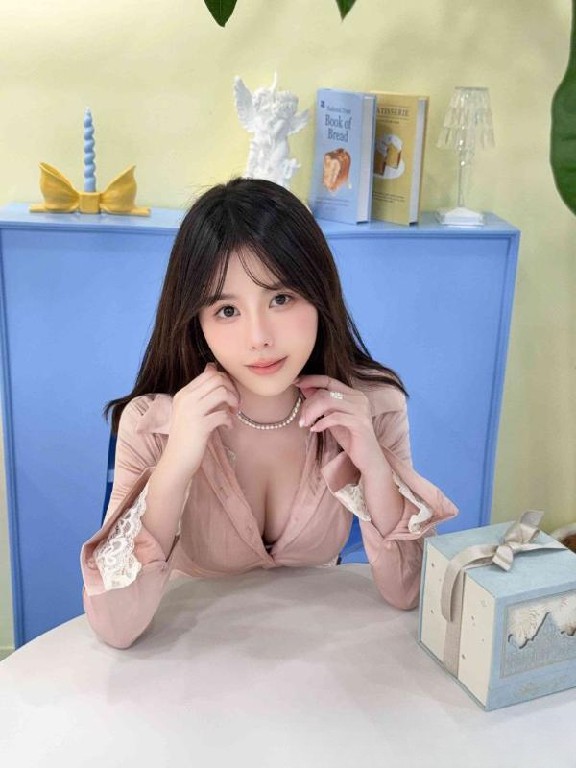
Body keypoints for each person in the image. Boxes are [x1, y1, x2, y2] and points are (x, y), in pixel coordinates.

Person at [81, 177, 458, 649]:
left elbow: (408, 594)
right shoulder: (152, 424)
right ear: (197, 323)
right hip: (194, 666)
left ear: (319, 295)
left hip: (320, 661)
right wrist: (176, 463)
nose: (259, 337)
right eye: (226, 310)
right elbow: (116, 629)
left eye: (280, 299)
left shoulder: (373, 407)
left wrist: (375, 468)